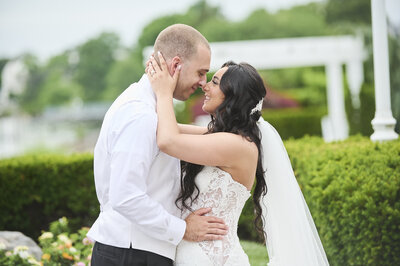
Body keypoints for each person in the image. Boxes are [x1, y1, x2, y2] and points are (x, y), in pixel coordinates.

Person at [146, 53, 330, 265]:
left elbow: (168, 140)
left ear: (233, 96)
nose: (205, 86)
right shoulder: (221, 138)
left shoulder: (237, 146)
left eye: (214, 82)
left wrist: (164, 92)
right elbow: (168, 129)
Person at [87, 24, 228, 266]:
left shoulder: (149, 107)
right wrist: (182, 228)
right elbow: (125, 196)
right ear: (176, 65)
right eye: (200, 72)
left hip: (136, 250)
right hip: (131, 254)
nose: (202, 82)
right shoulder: (139, 114)